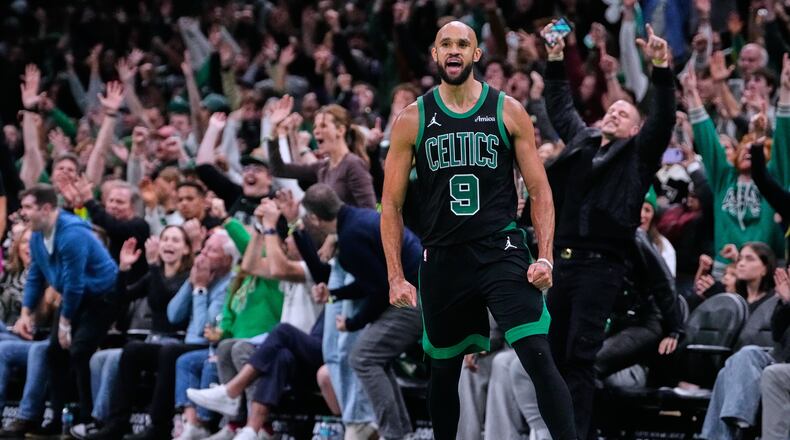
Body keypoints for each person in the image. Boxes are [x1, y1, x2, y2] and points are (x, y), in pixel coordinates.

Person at [382, 21, 576, 440]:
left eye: (463, 44)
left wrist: (544, 255)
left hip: (500, 248)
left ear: (476, 55)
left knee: (538, 354)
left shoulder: (508, 110)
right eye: (445, 44)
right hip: (443, 256)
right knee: (444, 370)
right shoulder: (411, 119)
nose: (454, 50)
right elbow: (391, 205)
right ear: (435, 55)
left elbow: (541, 192)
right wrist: (395, 276)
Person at [541, 22, 676, 437]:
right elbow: (559, 105)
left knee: (581, 359)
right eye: (611, 109)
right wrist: (555, 56)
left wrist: (660, 68)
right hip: (561, 266)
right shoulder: (582, 141)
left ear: (636, 129)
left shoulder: (638, 155)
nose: (614, 111)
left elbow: (664, 119)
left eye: (625, 112)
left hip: (601, 269)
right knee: (555, 358)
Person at [16, 184, 119, 428]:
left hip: (103, 297)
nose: (23, 213)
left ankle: (88, 419)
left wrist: (65, 323)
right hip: (76, 296)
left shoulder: (72, 233)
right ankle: (54, 420)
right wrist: (25, 313)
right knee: (54, 353)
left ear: (47, 208)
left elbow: (75, 283)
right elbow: (35, 277)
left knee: (79, 350)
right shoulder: (38, 235)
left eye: (28, 207)